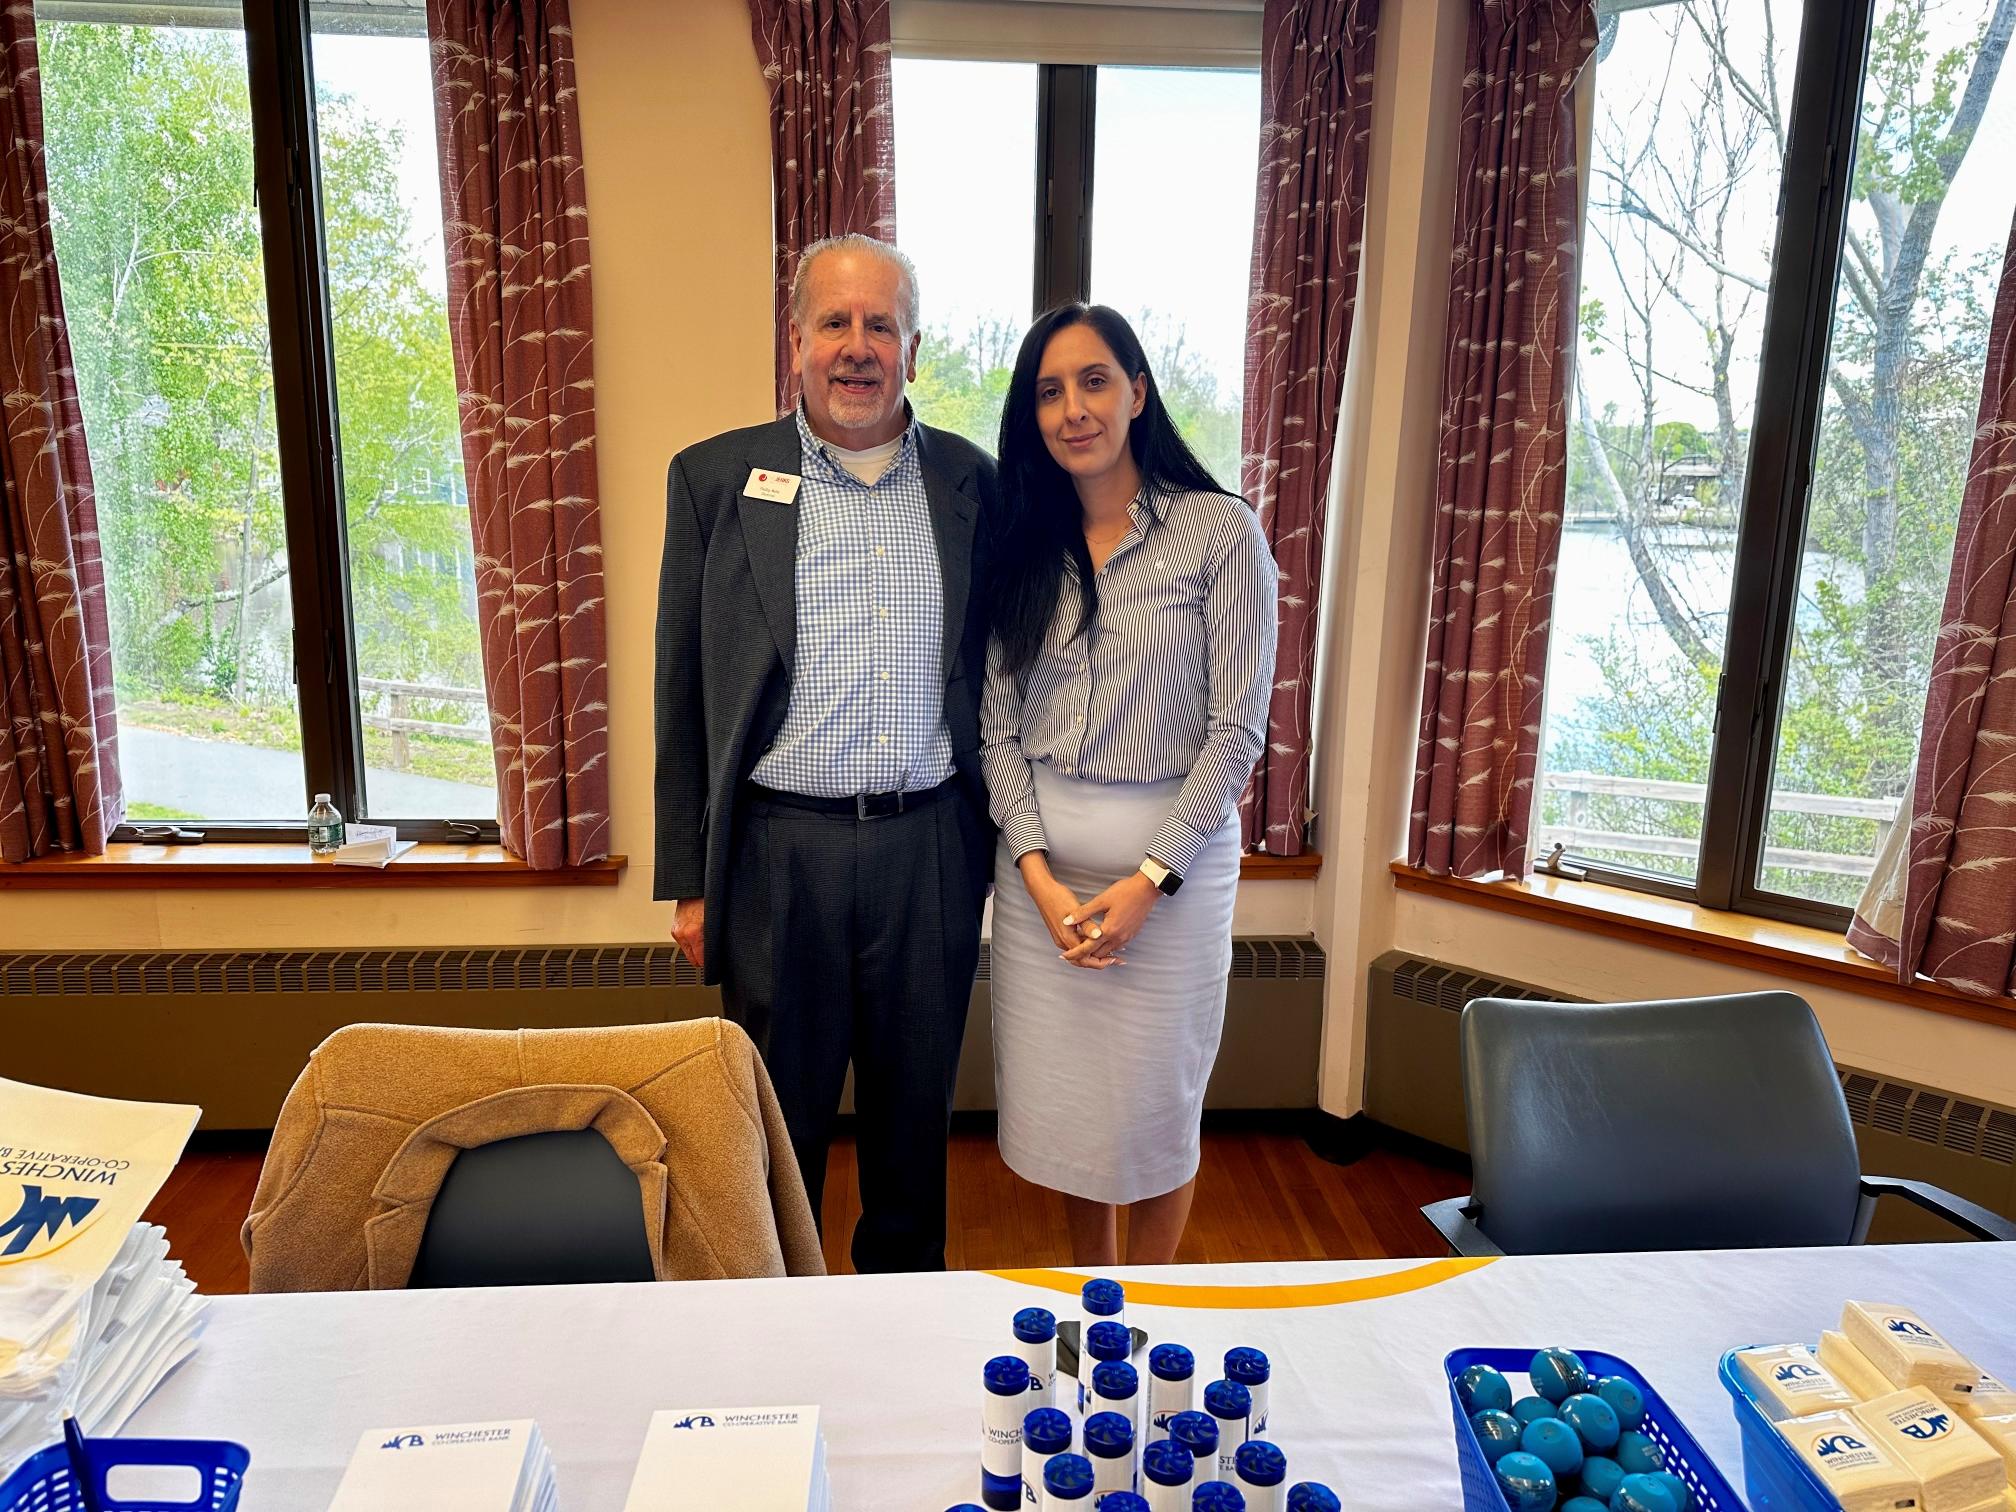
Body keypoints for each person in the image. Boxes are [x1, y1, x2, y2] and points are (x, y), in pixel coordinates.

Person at [653, 234, 996, 1273]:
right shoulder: (716, 479)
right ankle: (777, 1325)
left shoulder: (974, 485)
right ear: (795, 338)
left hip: (927, 849)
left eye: (880, 325)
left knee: (911, 1128)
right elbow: (681, 686)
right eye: (835, 323)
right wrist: (687, 880)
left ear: (914, 347)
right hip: (775, 855)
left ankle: (900, 1323)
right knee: (774, 1121)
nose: (858, 348)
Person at [980, 303, 1277, 1267]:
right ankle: (1091, 1294)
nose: (1074, 409)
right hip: (1042, 886)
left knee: (1155, 1112)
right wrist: (1038, 879)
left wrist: (1151, 880)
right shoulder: (1020, 545)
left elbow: (1236, 733)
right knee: (1072, 1121)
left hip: (1173, 886)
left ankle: (1148, 1305)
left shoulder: (1220, 534)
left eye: (1095, 381)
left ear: (1139, 392)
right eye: (1050, 391)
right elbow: (996, 731)